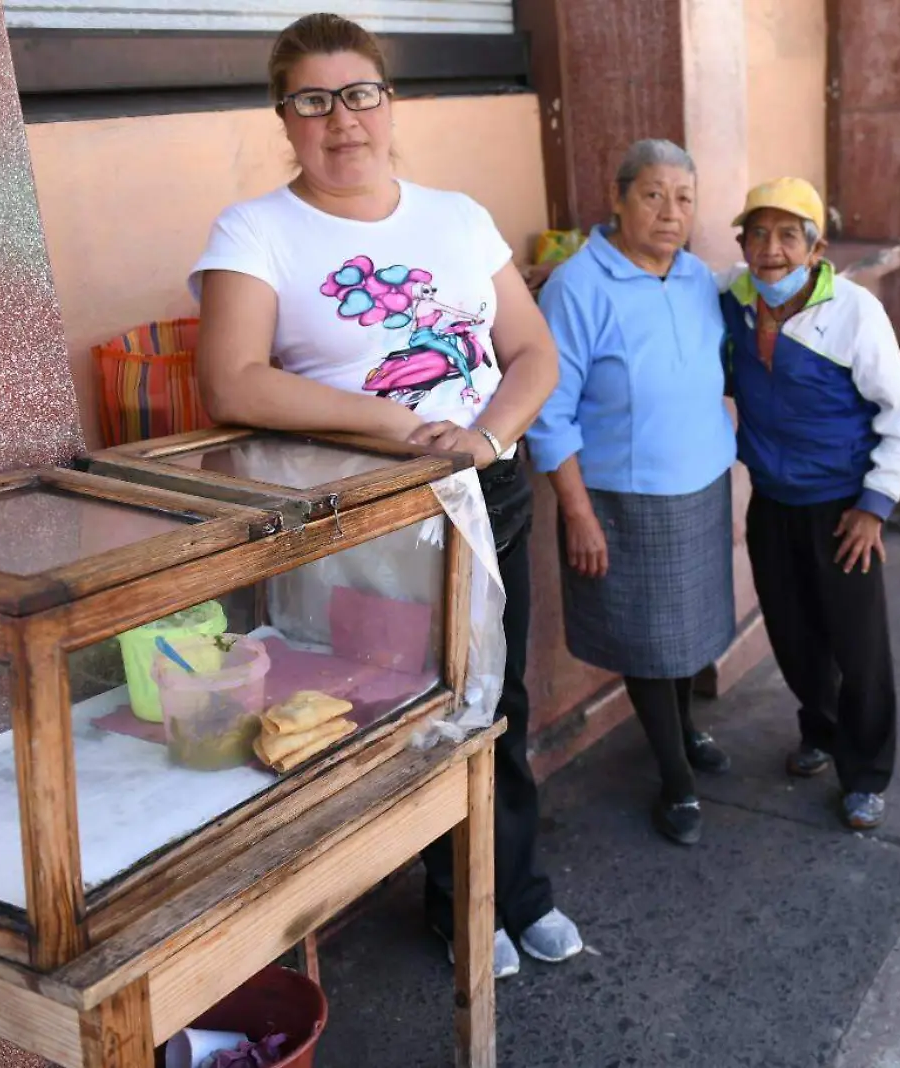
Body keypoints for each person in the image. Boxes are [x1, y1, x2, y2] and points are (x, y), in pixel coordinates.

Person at [189, 12, 583, 980]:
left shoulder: (455, 216)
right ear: (285, 117)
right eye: (313, 101)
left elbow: (533, 351)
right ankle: (452, 901)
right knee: (400, 709)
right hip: (365, 514)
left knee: (500, 698)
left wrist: (487, 437)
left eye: (359, 94)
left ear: (388, 101)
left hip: (484, 490)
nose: (342, 120)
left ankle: (506, 891)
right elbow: (232, 380)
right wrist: (400, 428)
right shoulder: (256, 230)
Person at [527, 140, 738, 847]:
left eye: (684, 197)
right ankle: (676, 780)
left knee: (686, 637)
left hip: (700, 484)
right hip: (625, 497)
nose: (670, 212)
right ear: (617, 200)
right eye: (653, 195)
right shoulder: (577, 286)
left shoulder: (698, 278)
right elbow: (550, 412)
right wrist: (577, 513)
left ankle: (683, 732)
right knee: (650, 643)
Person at [719, 178, 900, 832]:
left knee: (858, 646)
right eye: (758, 233)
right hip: (773, 501)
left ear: (815, 247)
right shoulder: (732, 300)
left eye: (787, 235)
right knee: (795, 635)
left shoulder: (854, 312)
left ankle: (865, 772)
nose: (770, 250)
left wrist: (874, 506)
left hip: (842, 508)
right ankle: (820, 729)